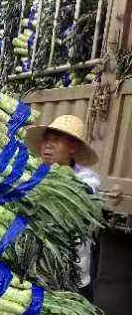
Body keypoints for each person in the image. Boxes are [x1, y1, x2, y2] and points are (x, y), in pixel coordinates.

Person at [25, 115, 101, 300]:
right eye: (46, 139)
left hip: (72, 275)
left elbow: (79, 195)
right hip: (36, 271)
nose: (48, 145)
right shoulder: (31, 174)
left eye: (57, 140)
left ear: (73, 147)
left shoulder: (87, 181)